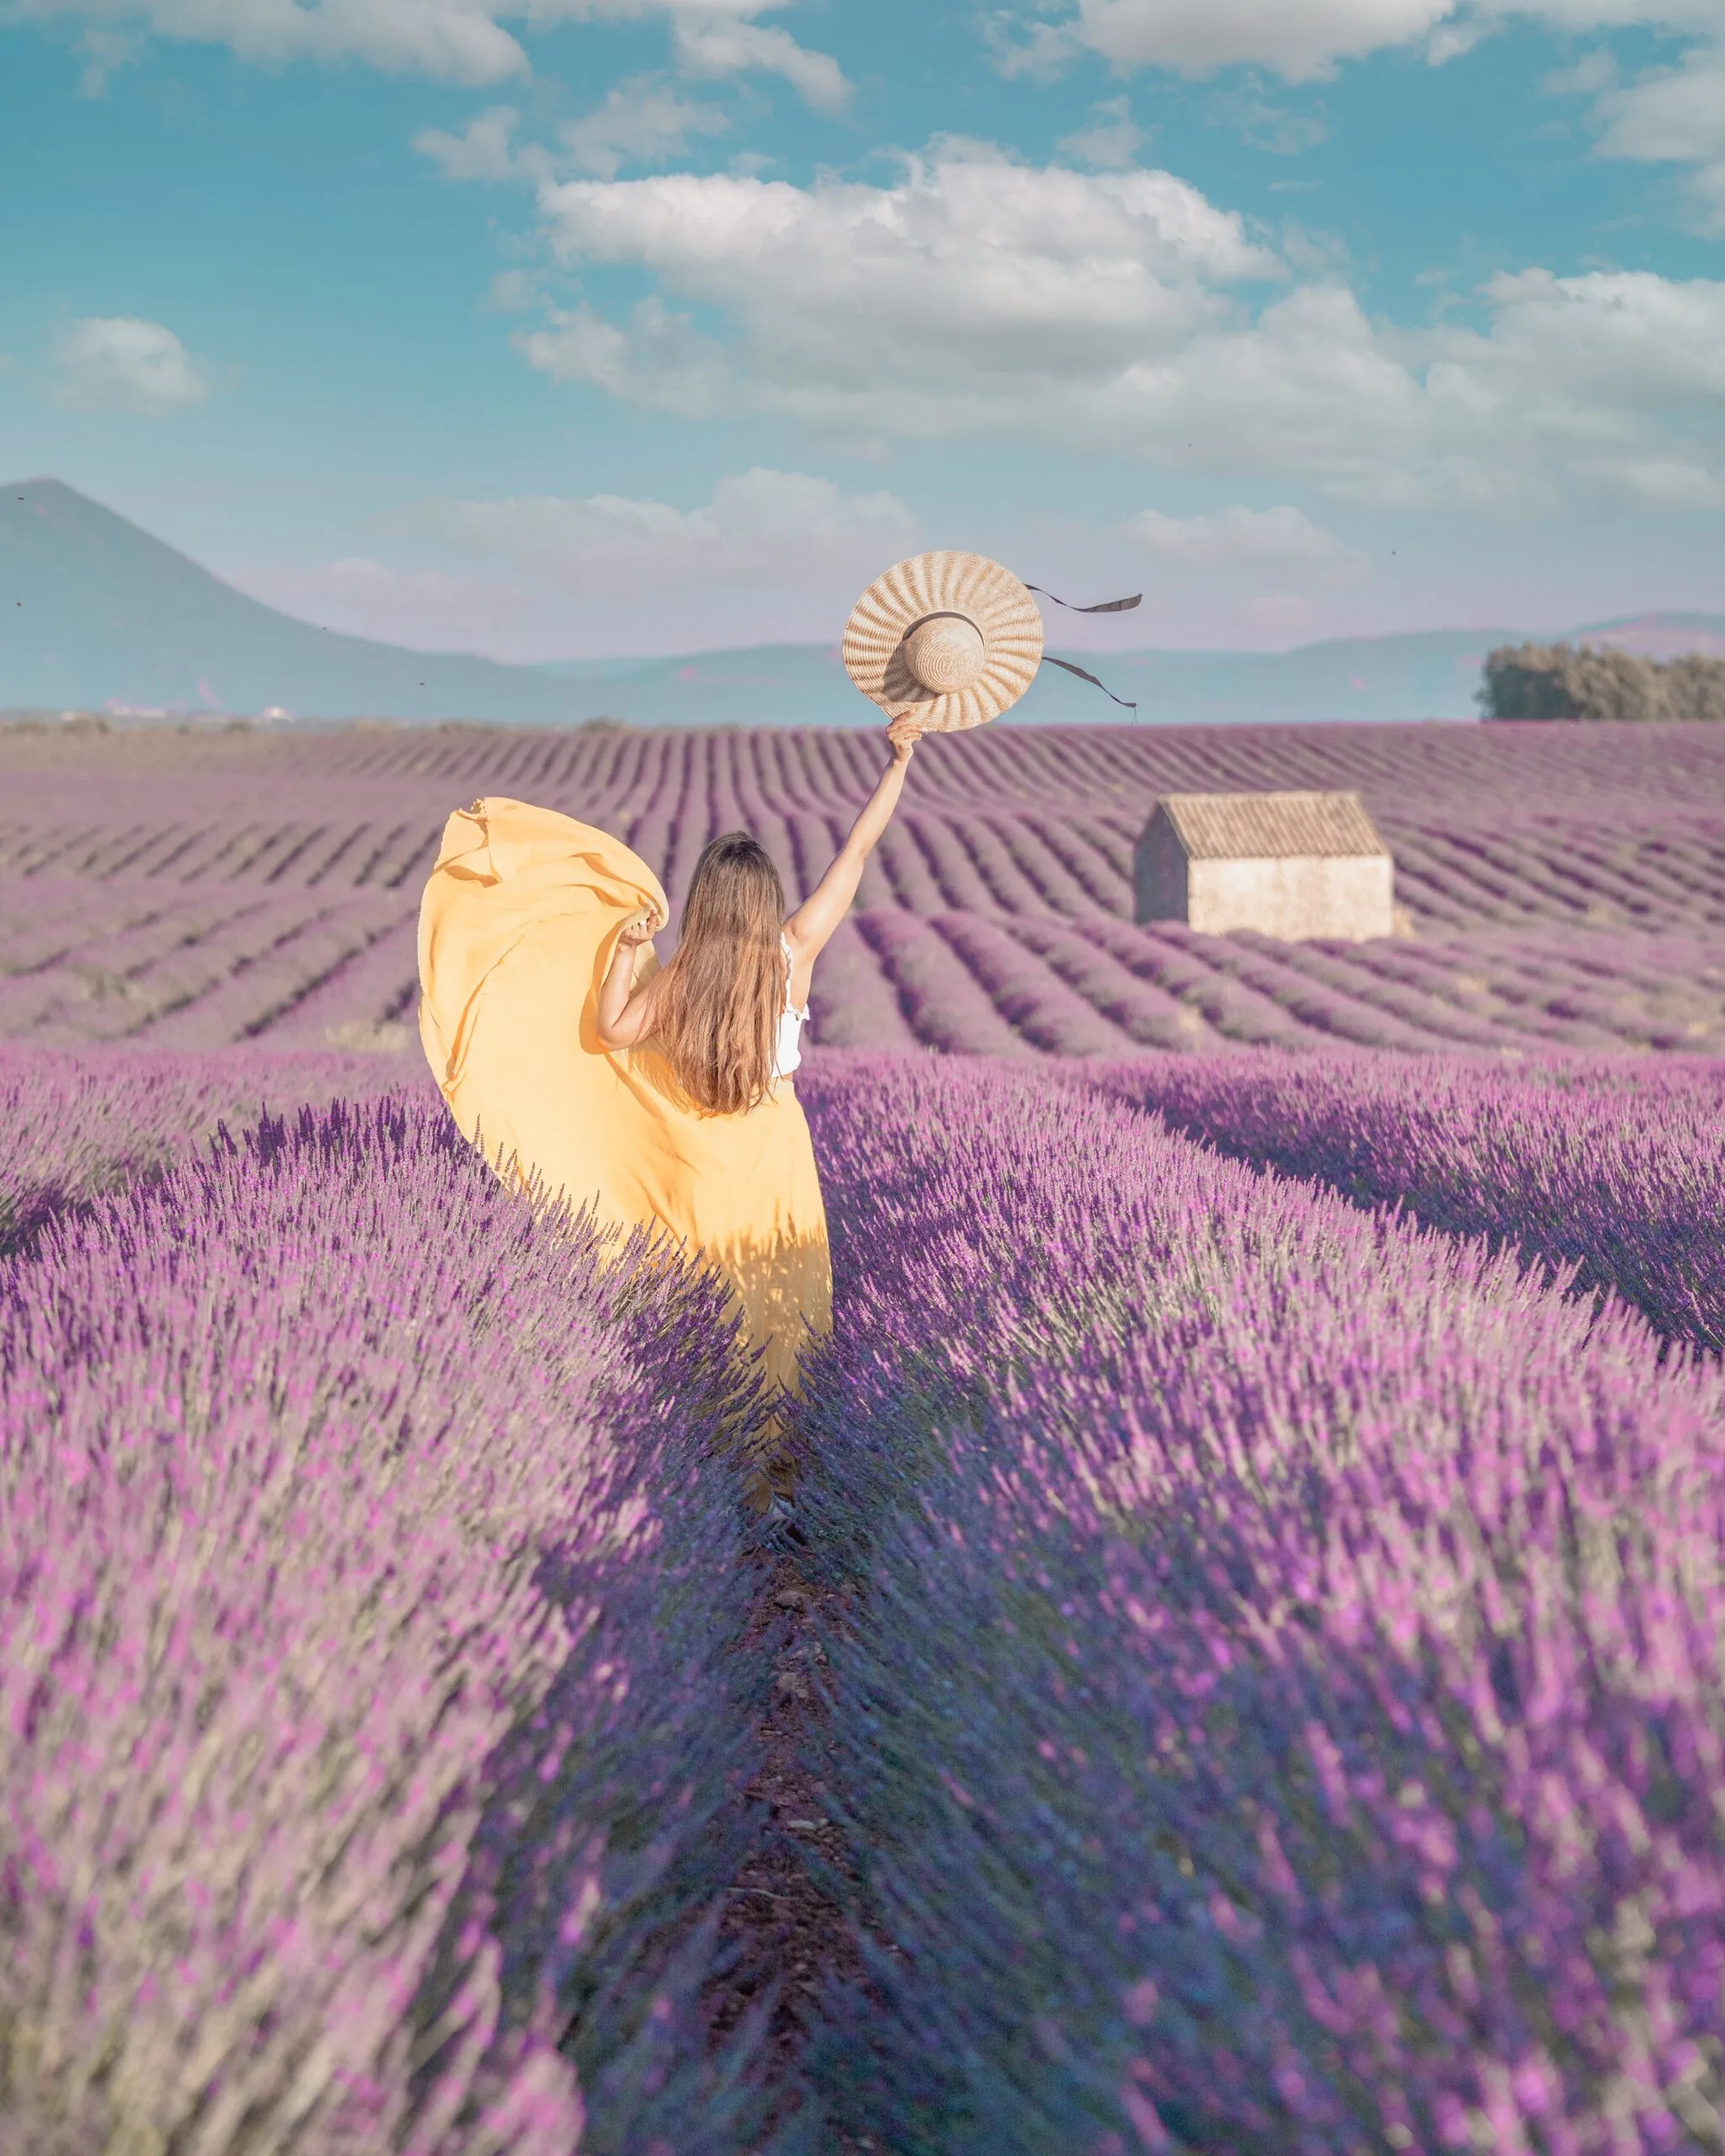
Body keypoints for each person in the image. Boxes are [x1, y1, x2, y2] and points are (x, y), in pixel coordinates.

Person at [417, 715, 922, 1496]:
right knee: (783, 1302)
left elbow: (610, 1030)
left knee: (707, 1303)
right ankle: (781, 1477)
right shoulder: (794, 952)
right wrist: (897, 764)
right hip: (774, 1158)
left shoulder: (684, 976)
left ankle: (704, 1466)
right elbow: (856, 853)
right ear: (765, 903)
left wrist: (623, 952)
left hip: (692, 1162)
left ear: (707, 901)